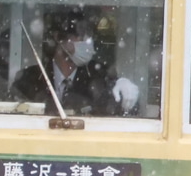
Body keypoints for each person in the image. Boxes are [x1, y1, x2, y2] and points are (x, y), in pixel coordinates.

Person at [11, 14, 140, 116]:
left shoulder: (99, 76)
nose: (88, 44)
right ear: (58, 38)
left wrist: (127, 95)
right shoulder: (29, 78)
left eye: (90, 37)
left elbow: (126, 111)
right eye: (81, 35)